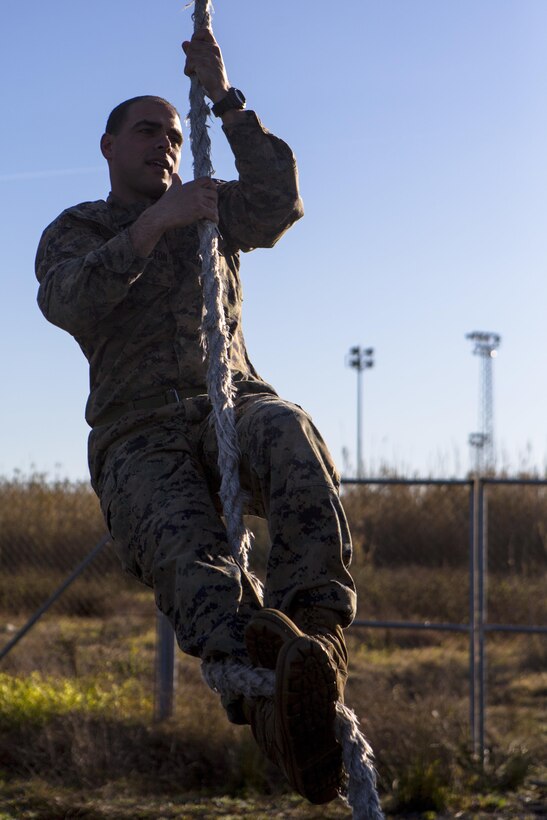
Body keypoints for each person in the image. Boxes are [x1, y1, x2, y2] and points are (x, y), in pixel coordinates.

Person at [35, 29, 357, 804]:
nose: (166, 144)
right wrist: (155, 225)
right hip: (139, 432)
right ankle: (273, 706)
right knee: (194, 563)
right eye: (149, 130)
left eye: (175, 134)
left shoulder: (214, 214)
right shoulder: (79, 228)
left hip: (230, 404)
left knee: (287, 428)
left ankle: (317, 643)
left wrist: (225, 101)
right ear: (109, 145)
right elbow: (66, 300)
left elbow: (281, 201)